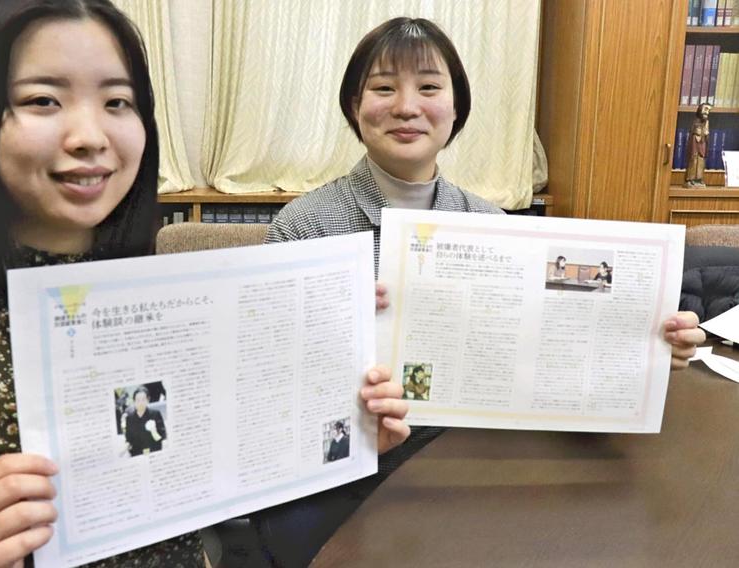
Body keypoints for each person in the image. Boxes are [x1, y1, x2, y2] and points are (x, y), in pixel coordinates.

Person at [0, 2, 410, 566]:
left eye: (117, 101)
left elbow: (233, 467)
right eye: (43, 100)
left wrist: (341, 436)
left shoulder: (181, 306)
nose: (90, 135)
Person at [259, 16, 707, 567]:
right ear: (355, 106)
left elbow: (545, 354)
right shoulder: (303, 228)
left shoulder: (491, 224)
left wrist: (646, 347)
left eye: (428, 87)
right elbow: (271, 385)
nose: (406, 106)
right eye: (383, 88)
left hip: (468, 461)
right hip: (350, 465)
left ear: (455, 108)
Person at [125, 386, 166, 456]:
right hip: (137, 454)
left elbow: (162, 437)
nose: (140, 403)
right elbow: (129, 439)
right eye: (138, 400)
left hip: (153, 452)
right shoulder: (129, 417)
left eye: (143, 399)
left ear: (148, 400)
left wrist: (154, 431)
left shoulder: (155, 414)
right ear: (134, 401)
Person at [685, 103, 711, 188]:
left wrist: (706, 133)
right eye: (705, 109)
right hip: (695, 144)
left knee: (701, 161)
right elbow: (695, 132)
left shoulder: (706, 122)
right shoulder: (696, 122)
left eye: (708, 110)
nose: (707, 112)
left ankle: (699, 178)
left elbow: (706, 133)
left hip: (702, 143)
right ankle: (691, 178)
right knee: (694, 161)